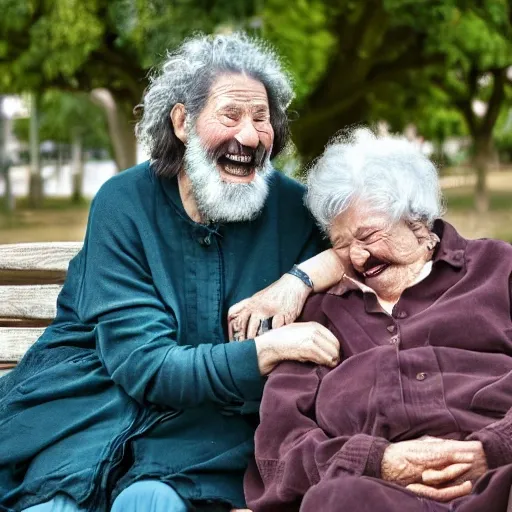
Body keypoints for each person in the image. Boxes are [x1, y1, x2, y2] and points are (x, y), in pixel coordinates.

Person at [0, 33, 344, 512]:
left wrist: (300, 278)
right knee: (54, 504)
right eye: (231, 115)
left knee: (151, 500)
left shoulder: (293, 208)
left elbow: (387, 239)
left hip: (206, 436)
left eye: (261, 118)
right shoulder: (124, 203)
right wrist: (265, 350)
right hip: (93, 408)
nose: (250, 136)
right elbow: (144, 364)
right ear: (182, 122)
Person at [245, 128, 512, 512]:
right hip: (377, 495)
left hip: (500, 480)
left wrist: (496, 447)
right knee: (335, 500)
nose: (356, 257)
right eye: (340, 245)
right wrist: (375, 462)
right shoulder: (318, 316)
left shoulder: (497, 268)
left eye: (369, 235)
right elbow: (280, 444)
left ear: (418, 221)